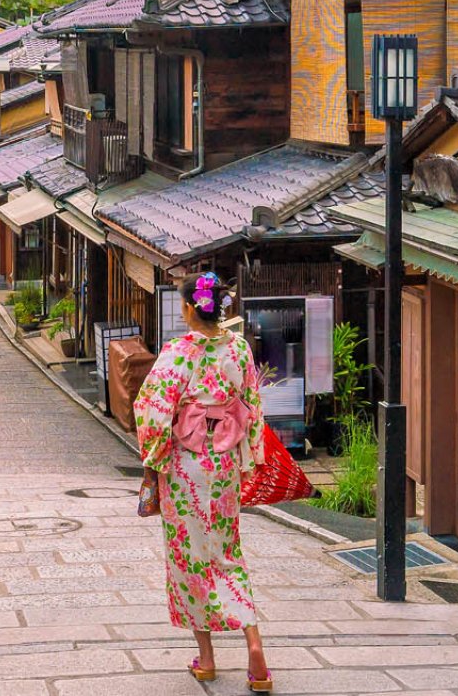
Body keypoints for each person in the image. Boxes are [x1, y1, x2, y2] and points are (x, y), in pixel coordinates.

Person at [134, 271, 272, 693]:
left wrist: (152, 463)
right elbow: (251, 405)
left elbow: (151, 409)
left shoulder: (178, 352)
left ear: (189, 309)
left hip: (185, 468)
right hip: (224, 464)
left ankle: (207, 659)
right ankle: (255, 653)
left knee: (189, 558)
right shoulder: (239, 350)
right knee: (227, 552)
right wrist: (250, 458)